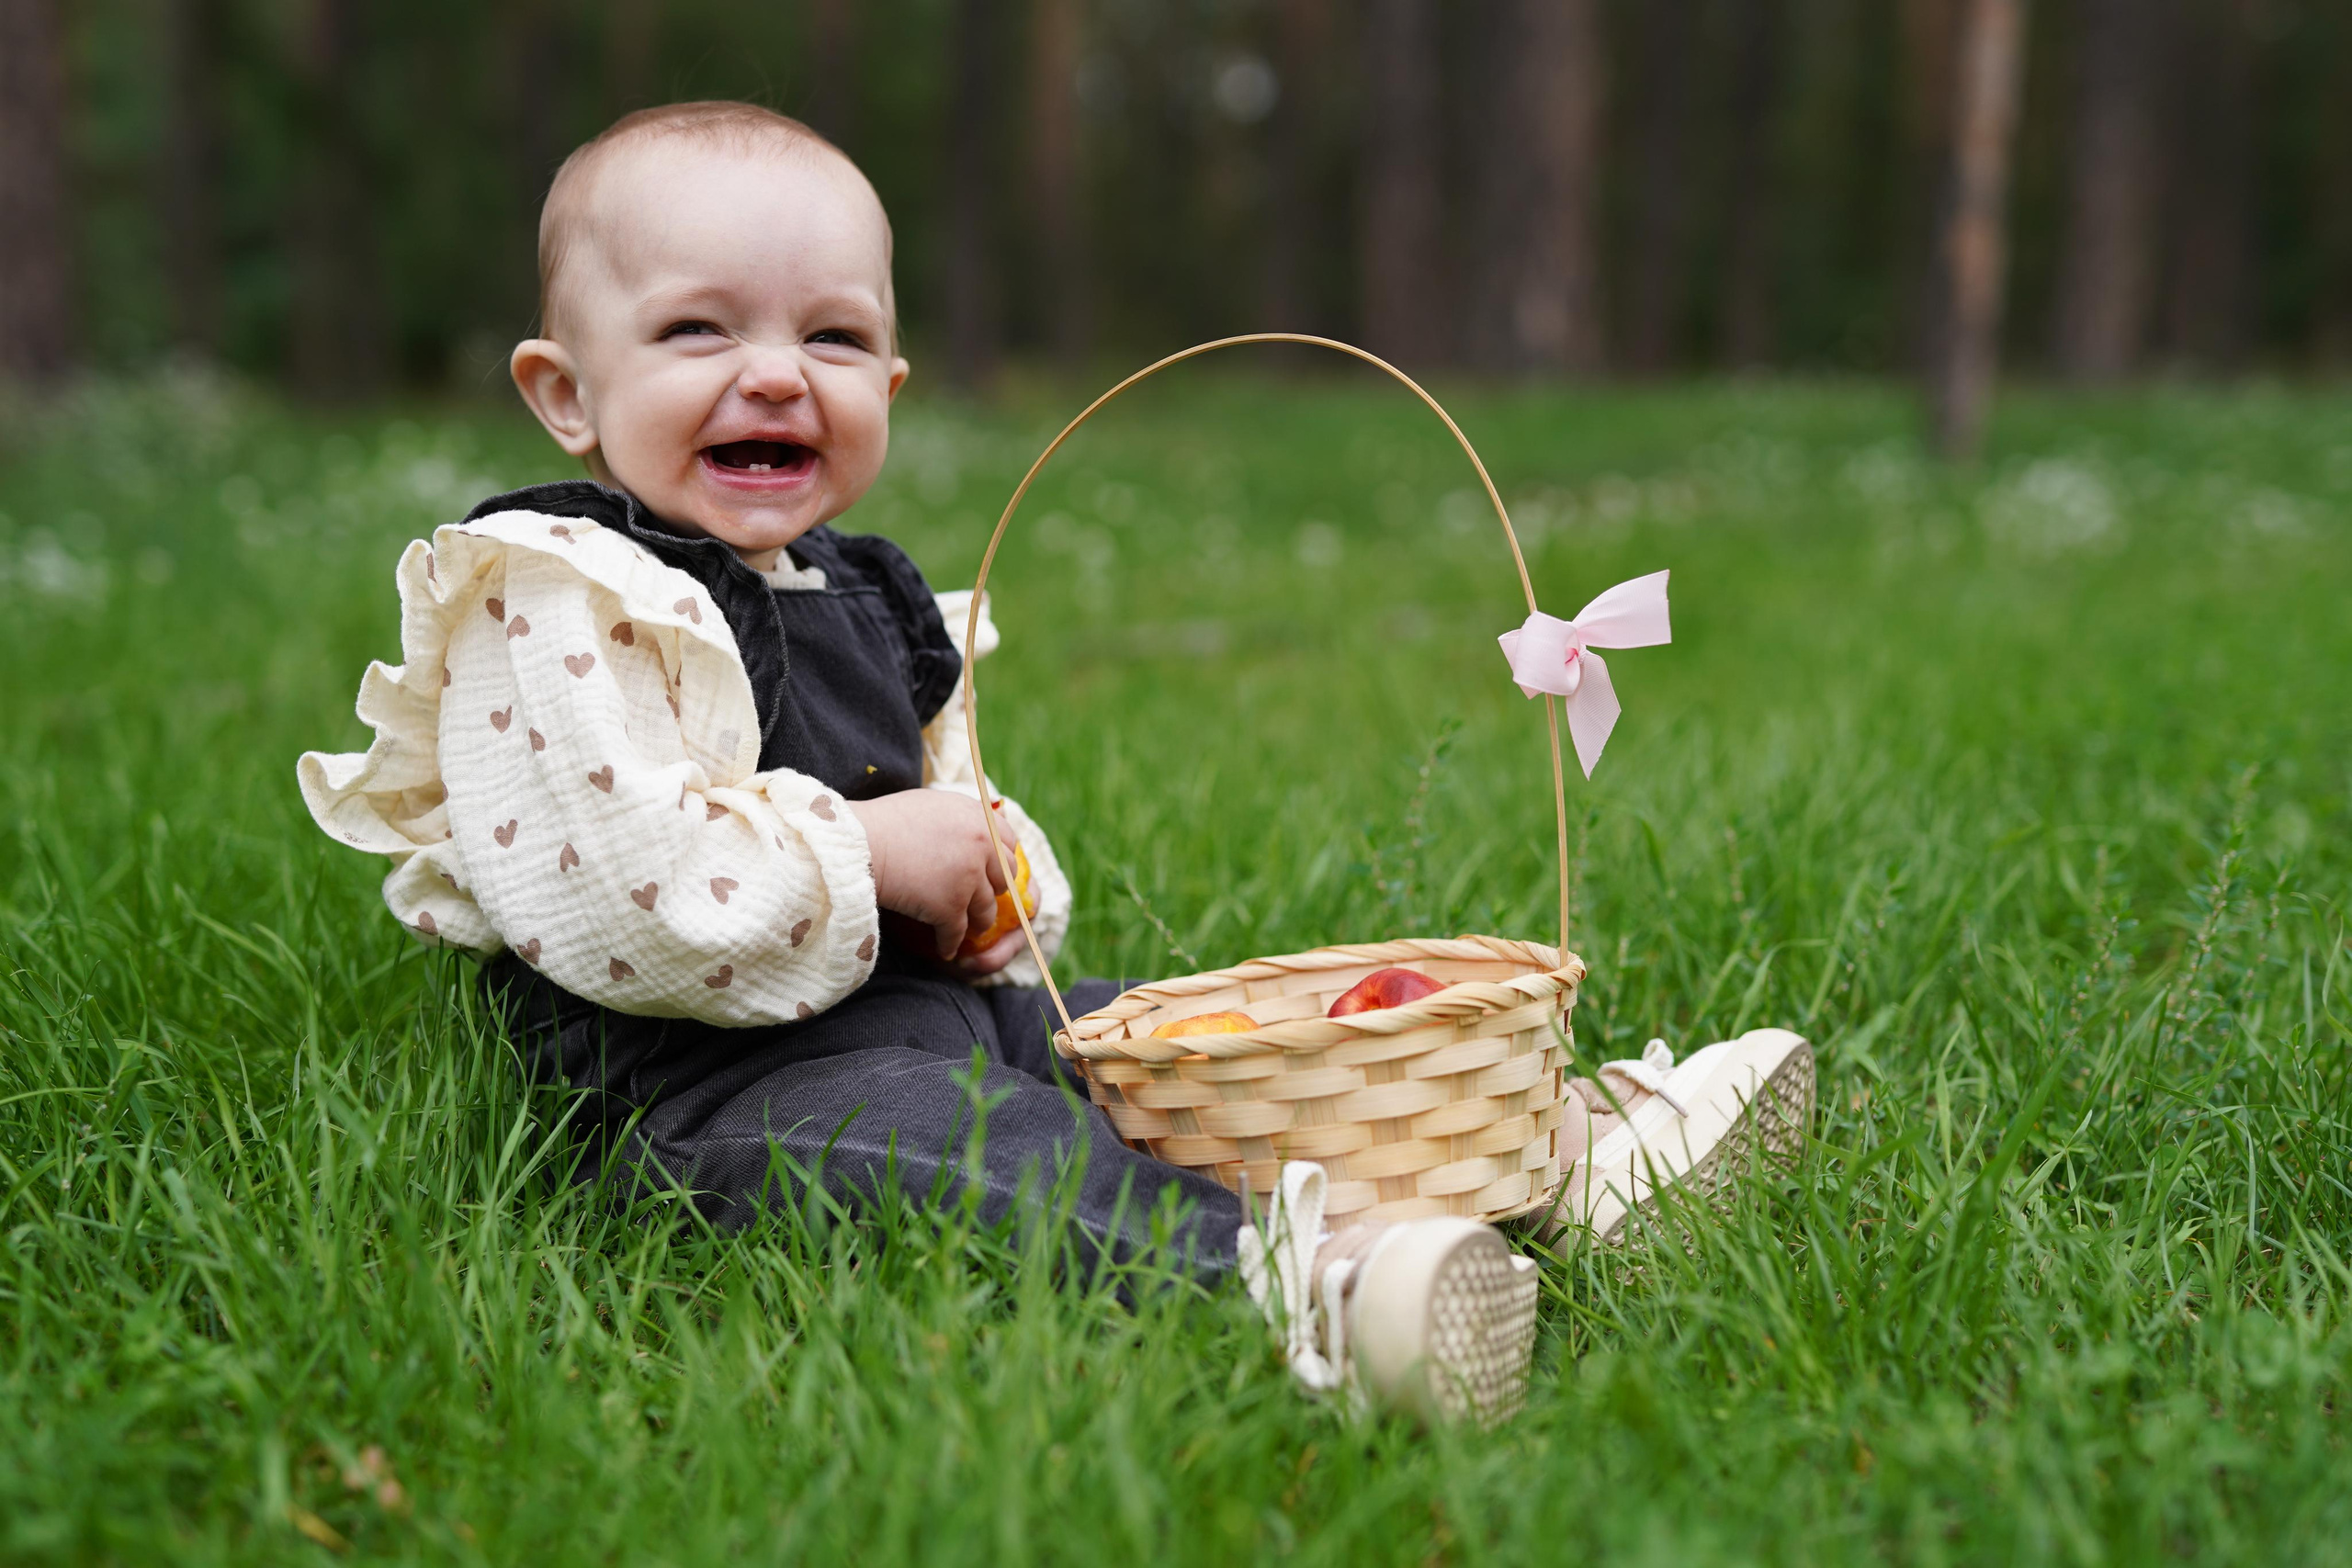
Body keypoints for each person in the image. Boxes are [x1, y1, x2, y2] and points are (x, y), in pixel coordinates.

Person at [298, 101, 1809, 1426]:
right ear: (566, 392)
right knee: (958, 1152)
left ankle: (1545, 1154)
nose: (774, 376)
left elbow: (958, 815)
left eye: (830, 337)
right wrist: (874, 859)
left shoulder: (869, 596)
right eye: (700, 331)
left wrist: (994, 883)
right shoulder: (562, 597)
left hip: (928, 1014)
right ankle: (1309, 1290)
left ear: (888, 385)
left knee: (1178, 1041)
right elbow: (630, 896)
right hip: (695, 1094)